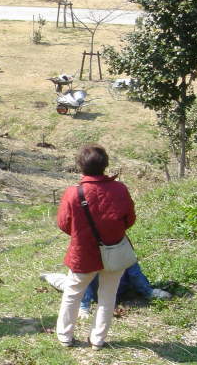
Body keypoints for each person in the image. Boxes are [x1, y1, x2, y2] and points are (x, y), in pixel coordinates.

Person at [54, 144, 136, 350]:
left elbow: (64, 224)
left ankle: (65, 336)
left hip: (83, 253)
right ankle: (97, 340)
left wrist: (82, 236)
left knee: (73, 294)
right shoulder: (120, 189)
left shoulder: (74, 193)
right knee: (108, 296)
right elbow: (129, 219)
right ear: (105, 165)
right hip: (114, 250)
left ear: (80, 166)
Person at [41, 262, 171, 317]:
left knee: (129, 264)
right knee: (71, 285)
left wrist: (148, 291)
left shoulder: (120, 242)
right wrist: (84, 306)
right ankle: (49, 276)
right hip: (93, 290)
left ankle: (149, 291)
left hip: (121, 287)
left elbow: (133, 270)